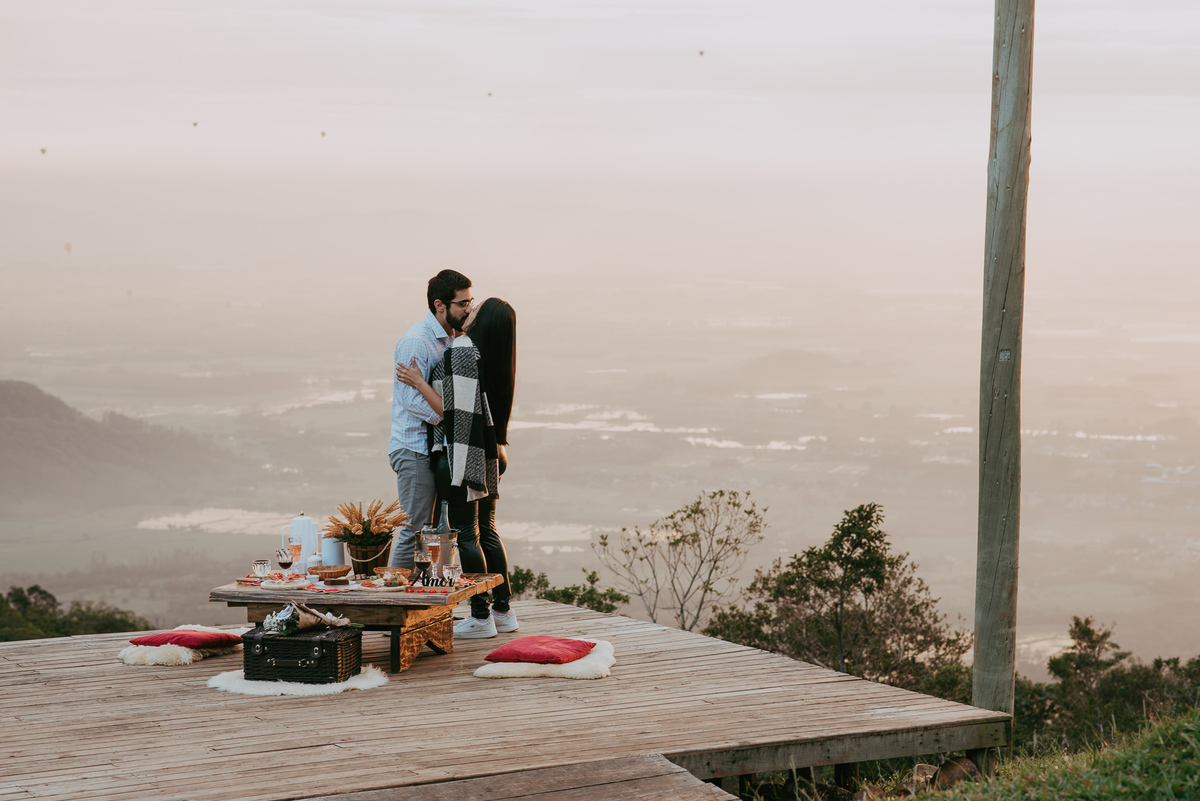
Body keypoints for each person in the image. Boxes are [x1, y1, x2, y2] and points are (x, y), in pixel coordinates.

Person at [396, 297, 517, 639]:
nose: (470, 309)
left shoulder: (462, 350)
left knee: (466, 534)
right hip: (492, 450)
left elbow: (455, 417)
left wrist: (419, 383)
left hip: (463, 453)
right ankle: (503, 611)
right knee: (487, 532)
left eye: (475, 308)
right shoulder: (492, 354)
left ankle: (480, 617)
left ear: (484, 321)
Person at [386, 269, 473, 570]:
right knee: (414, 531)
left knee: (431, 534)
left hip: (434, 450)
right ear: (440, 305)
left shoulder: (452, 338)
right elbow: (410, 402)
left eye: (469, 302)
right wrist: (450, 417)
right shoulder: (416, 342)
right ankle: (392, 599)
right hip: (414, 449)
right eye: (462, 303)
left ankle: (419, 599)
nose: (467, 309)